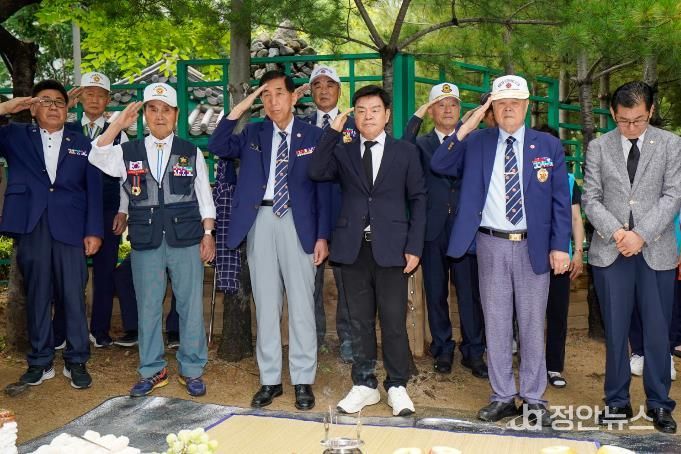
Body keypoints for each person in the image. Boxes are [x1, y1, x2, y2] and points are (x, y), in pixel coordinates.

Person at [431, 75, 571, 426]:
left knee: (532, 324)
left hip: (533, 245)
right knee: (495, 323)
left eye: (515, 103)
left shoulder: (547, 145)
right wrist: (467, 125)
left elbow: (560, 201)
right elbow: (440, 164)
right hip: (490, 243)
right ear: (491, 109)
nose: (508, 109)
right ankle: (503, 396)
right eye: (501, 103)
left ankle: (534, 399)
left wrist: (560, 246)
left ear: (526, 106)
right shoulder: (476, 142)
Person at [208, 70, 330, 411]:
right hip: (260, 221)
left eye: (278, 93)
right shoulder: (252, 133)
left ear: (294, 97)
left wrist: (323, 235)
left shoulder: (314, 135)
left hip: (299, 223)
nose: (272, 101)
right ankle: (270, 380)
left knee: (302, 305)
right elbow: (217, 144)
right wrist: (244, 103)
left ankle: (303, 380)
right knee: (266, 304)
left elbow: (325, 189)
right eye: (266, 95)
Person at [88, 83, 216, 398]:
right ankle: (152, 368)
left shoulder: (190, 151)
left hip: (186, 237)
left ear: (176, 115)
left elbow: (204, 196)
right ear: (145, 114)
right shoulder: (128, 151)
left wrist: (208, 234)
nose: (159, 116)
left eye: (166, 110)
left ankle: (192, 368)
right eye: (153, 109)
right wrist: (117, 124)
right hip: (146, 238)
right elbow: (96, 155)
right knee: (148, 306)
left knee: (189, 305)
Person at [309, 84, 426, 416]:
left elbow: (419, 200)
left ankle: (397, 385)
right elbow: (315, 171)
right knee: (358, 321)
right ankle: (364, 384)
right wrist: (332, 134)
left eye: (374, 110)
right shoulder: (344, 151)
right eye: (360, 111)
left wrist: (414, 246)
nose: (367, 116)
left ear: (387, 115)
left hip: (393, 249)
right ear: (354, 117)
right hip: (352, 248)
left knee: (393, 320)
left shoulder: (405, 152)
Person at [582, 81, 681, 433]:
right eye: (623, 121)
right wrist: (618, 233)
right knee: (615, 331)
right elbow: (590, 198)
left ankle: (659, 404)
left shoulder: (671, 144)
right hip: (612, 251)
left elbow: (673, 195)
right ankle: (617, 401)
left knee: (657, 331)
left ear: (650, 111)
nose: (631, 127)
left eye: (638, 120)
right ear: (613, 113)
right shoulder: (598, 146)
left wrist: (641, 235)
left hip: (656, 250)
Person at [0, 80, 104, 389]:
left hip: (71, 226)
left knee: (73, 294)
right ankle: (40, 361)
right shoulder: (15, 136)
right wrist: (7, 107)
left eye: (59, 101)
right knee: (38, 295)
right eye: (45, 101)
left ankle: (77, 360)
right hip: (32, 224)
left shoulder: (82, 142)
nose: (54, 107)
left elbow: (94, 190)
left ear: (67, 108)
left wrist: (94, 230)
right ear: (32, 109)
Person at [402, 83, 487, 378]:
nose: (448, 109)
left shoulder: (472, 140)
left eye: (453, 104)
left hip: (465, 228)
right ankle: (443, 349)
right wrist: (416, 117)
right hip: (432, 228)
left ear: (460, 109)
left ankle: (474, 351)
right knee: (436, 292)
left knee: (469, 293)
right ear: (431, 111)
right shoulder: (421, 144)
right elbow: (402, 149)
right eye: (440, 104)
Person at [51, 71, 130, 349]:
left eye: (100, 95)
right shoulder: (65, 129)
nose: (95, 99)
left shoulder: (119, 133)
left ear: (108, 100)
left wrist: (123, 210)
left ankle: (100, 330)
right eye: (89, 93)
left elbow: (125, 175)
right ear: (80, 96)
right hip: (72, 210)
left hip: (108, 207)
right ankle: (61, 330)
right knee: (68, 271)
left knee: (105, 271)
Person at [298, 64, 354, 362]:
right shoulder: (299, 127)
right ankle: (314, 337)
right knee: (310, 282)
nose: (323, 90)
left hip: (345, 215)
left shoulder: (354, 124)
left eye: (329, 84)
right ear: (310, 91)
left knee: (348, 282)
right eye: (317, 85)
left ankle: (348, 340)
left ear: (339, 90)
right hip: (309, 214)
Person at [534, 124, 585, 389]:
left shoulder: (568, 180)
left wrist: (578, 252)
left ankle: (554, 367)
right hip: (530, 255)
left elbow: (576, 218)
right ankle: (530, 366)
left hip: (560, 259)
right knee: (528, 314)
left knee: (557, 312)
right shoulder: (525, 175)